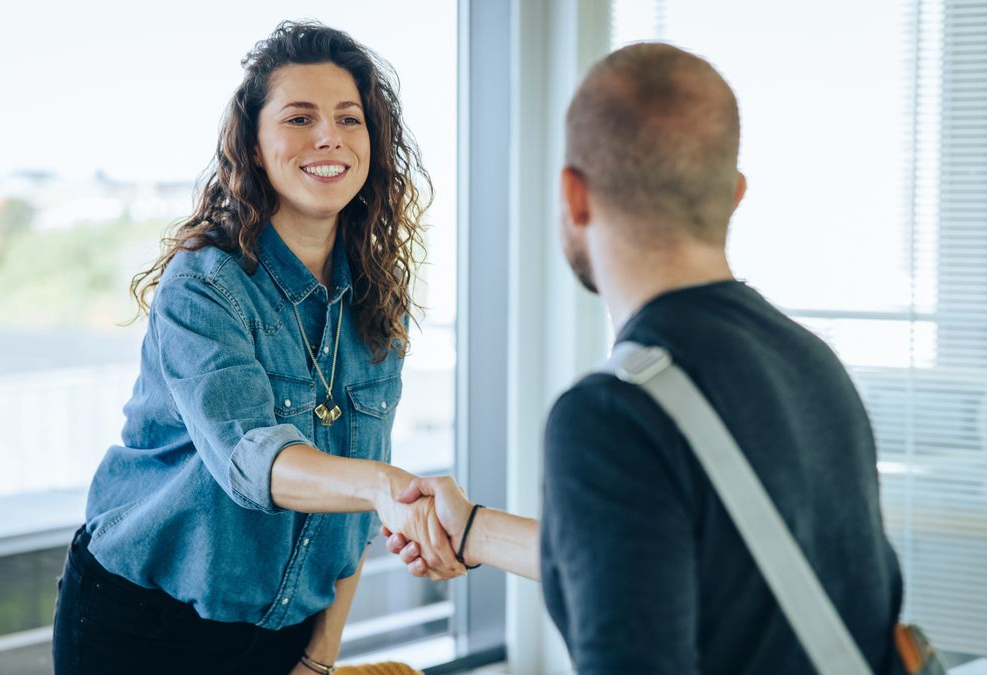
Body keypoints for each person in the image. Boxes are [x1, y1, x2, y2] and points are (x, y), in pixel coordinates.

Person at [385, 42, 906, 674]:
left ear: (575, 196)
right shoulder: (814, 365)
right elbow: (678, 568)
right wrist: (472, 531)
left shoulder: (611, 415)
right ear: (734, 195)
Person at [52, 21, 464, 675]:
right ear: (254, 142)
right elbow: (250, 458)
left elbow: (351, 508)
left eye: (349, 119)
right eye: (300, 118)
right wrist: (387, 487)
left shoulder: (376, 298)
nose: (328, 136)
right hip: (142, 627)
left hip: (284, 634)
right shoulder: (204, 282)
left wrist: (319, 656)